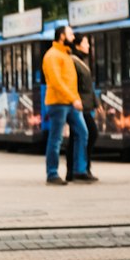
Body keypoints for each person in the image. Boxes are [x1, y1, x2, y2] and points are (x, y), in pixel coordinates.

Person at [42, 25, 96, 187]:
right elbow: (57, 82)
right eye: (70, 34)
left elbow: (71, 81)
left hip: (70, 102)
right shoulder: (52, 56)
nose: (73, 37)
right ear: (61, 36)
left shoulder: (65, 54)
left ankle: (80, 170)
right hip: (58, 103)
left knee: (83, 132)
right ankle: (52, 173)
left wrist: (75, 98)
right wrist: (73, 99)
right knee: (56, 138)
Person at [66, 32, 98, 180]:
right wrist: (75, 100)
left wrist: (96, 103)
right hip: (79, 105)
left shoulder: (82, 60)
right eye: (86, 43)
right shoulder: (73, 61)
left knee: (79, 135)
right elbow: (74, 85)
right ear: (78, 45)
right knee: (89, 133)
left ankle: (77, 170)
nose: (88, 46)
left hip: (86, 104)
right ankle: (80, 168)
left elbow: (89, 86)